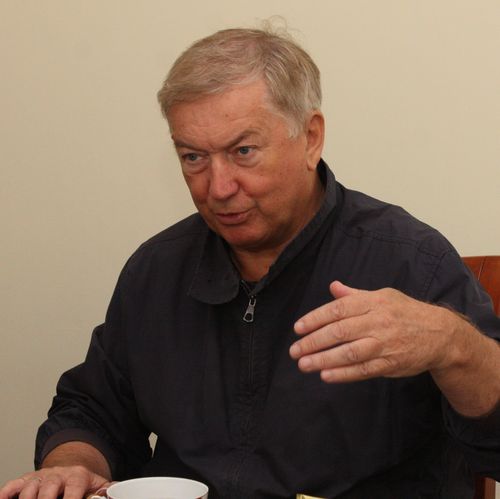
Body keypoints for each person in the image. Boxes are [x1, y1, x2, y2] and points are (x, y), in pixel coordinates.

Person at [1, 26, 499, 499]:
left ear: (311, 138)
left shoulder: (411, 262)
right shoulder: (157, 270)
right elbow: (91, 410)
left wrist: (453, 344)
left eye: (243, 151)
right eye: (193, 157)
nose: (218, 188)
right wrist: (72, 464)